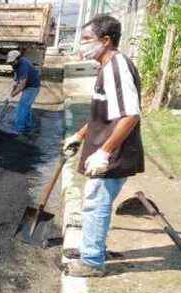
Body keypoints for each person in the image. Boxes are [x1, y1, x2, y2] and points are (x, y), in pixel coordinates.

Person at [62, 15, 144, 277]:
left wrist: (105, 152)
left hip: (113, 154)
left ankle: (92, 261)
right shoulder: (105, 67)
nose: (82, 45)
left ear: (106, 40)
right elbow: (103, 114)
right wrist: (79, 135)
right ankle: (90, 248)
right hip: (102, 147)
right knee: (93, 201)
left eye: (87, 39)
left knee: (97, 203)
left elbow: (131, 115)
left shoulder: (117, 68)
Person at [6, 50, 41, 139]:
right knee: (26, 107)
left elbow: (22, 86)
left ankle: (18, 130)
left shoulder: (23, 66)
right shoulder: (15, 64)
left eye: (13, 61)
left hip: (32, 87)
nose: (11, 64)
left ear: (18, 59)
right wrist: (11, 92)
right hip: (28, 86)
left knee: (22, 107)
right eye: (10, 62)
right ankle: (28, 126)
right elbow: (16, 81)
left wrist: (12, 96)